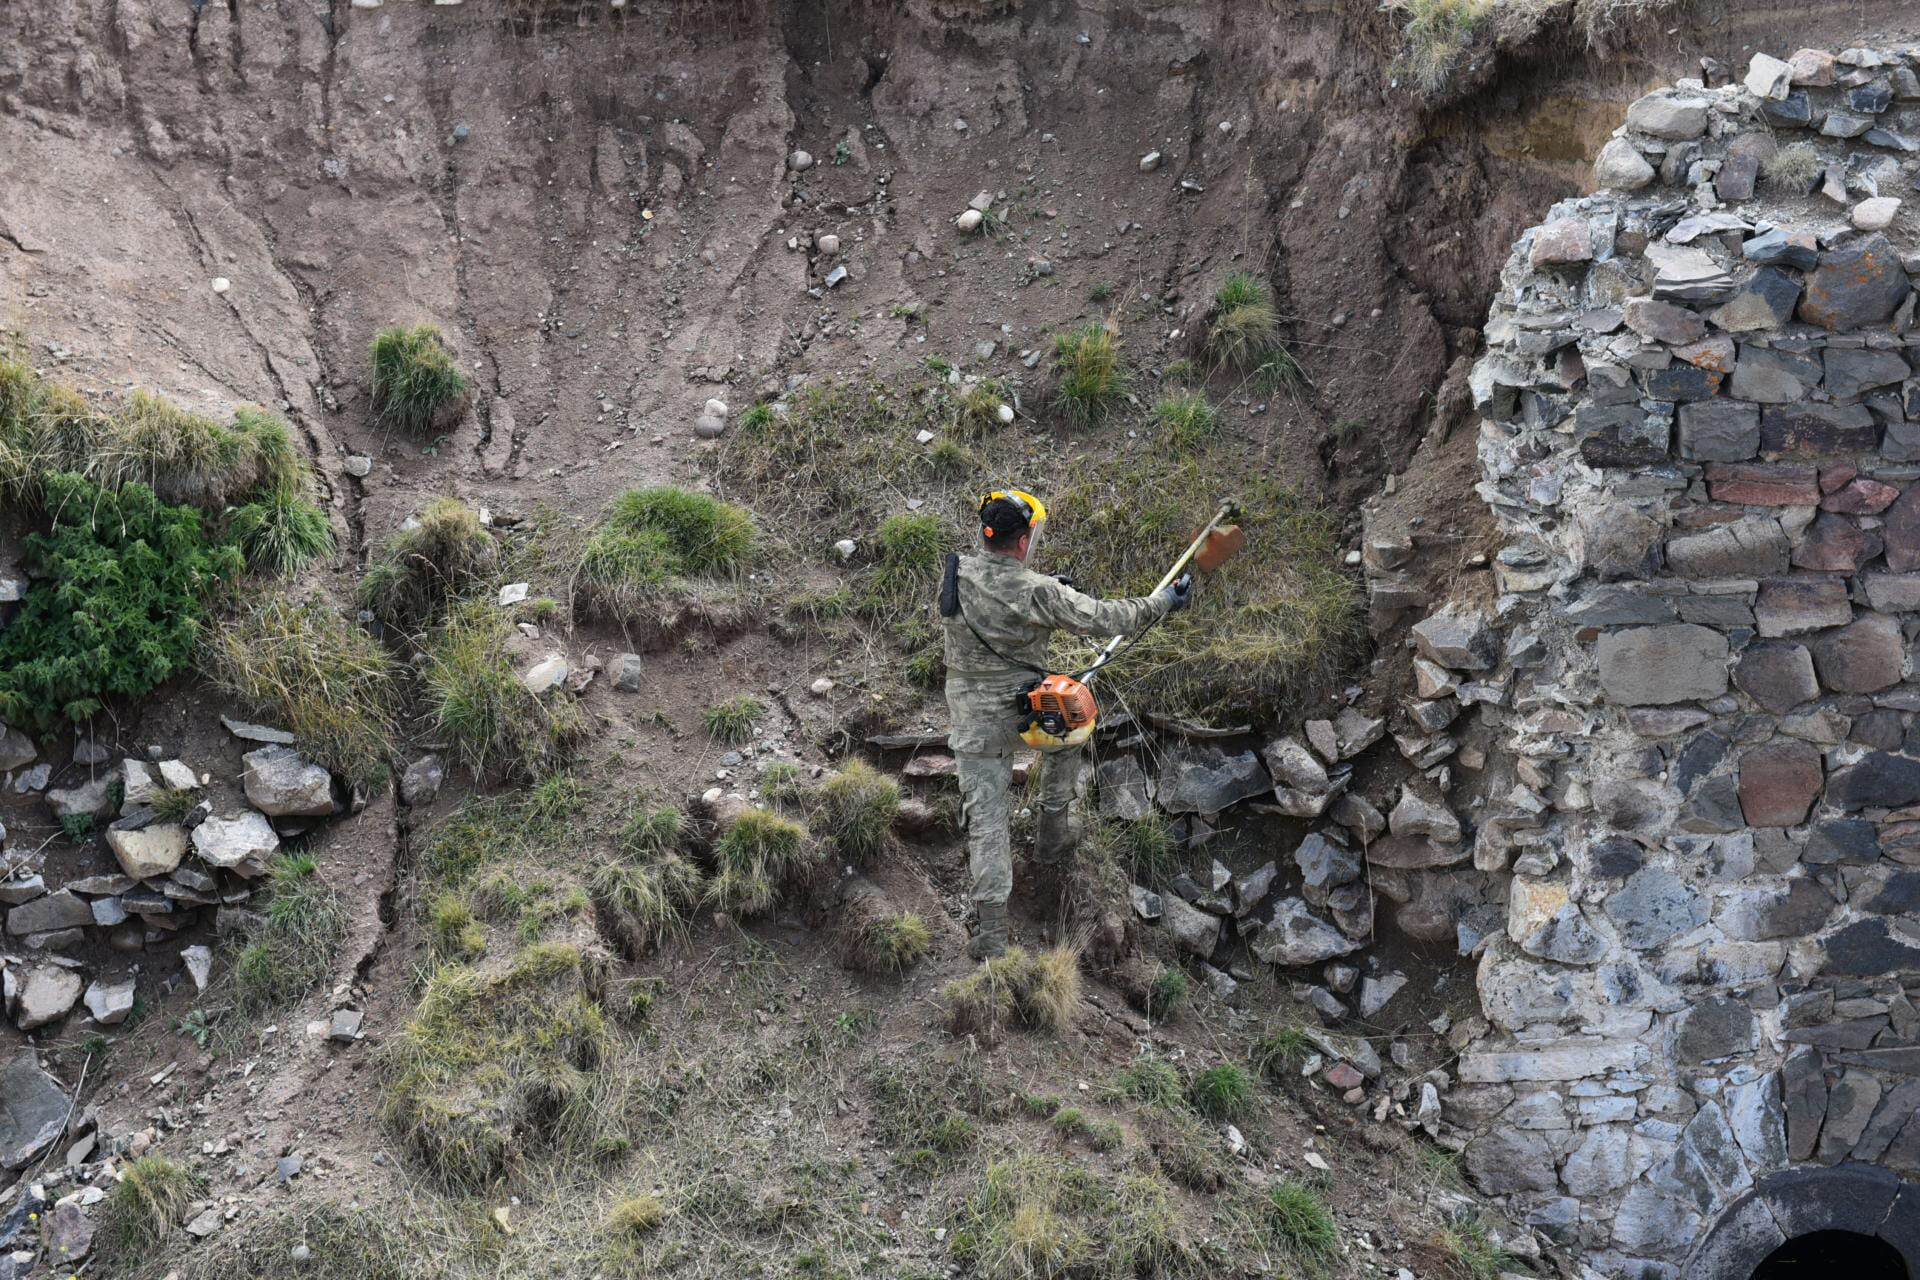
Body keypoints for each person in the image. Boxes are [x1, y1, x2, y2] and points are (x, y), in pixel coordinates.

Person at [939, 489, 1193, 959]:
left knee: (987, 823)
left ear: (984, 533)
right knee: (1071, 731)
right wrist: (1162, 603)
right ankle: (1053, 835)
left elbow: (994, 598)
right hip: (1027, 712)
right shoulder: (1040, 592)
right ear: (1023, 541)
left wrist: (1046, 587)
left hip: (971, 719)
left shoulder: (957, 571)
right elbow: (1104, 618)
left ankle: (992, 936)